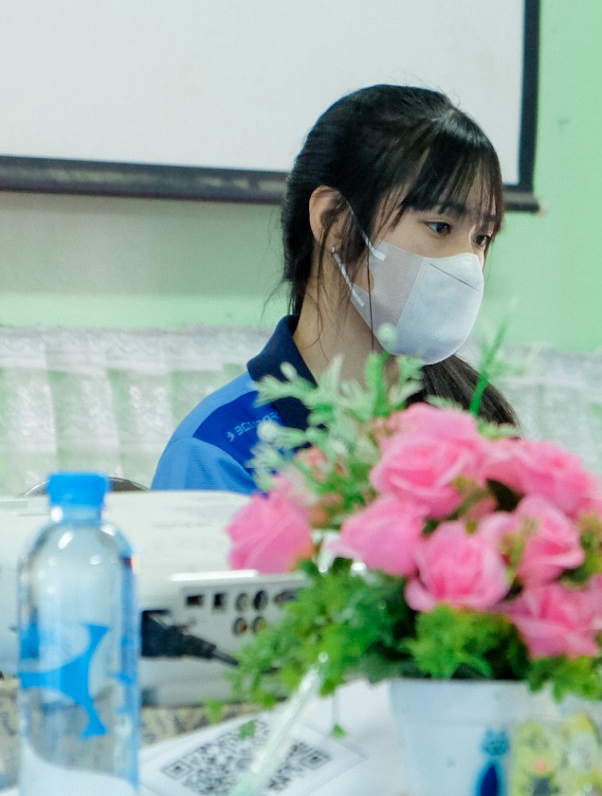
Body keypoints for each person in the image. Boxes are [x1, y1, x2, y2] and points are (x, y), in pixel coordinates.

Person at [153, 85, 516, 493]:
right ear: (334, 222)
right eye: (440, 227)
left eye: (482, 238)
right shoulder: (219, 450)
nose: (466, 263)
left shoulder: (477, 428)